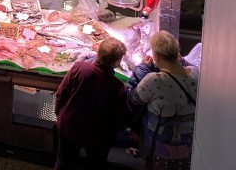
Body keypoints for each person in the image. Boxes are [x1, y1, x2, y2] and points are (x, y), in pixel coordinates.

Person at [53, 37, 130, 170]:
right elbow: (121, 119)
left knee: (64, 163)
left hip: (69, 125)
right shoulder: (118, 87)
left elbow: (61, 94)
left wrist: (59, 114)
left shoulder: (79, 68)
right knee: (96, 166)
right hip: (99, 136)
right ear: (117, 62)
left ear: (98, 53)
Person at [129, 31, 198, 170]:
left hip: (161, 147)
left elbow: (134, 98)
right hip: (189, 144)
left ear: (156, 56)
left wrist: (142, 68)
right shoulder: (196, 74)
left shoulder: (154, 80)